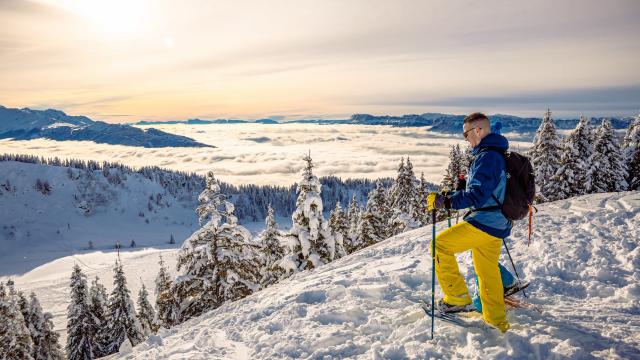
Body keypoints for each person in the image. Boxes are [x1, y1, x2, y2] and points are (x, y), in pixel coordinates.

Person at [427, 112, 512, 333]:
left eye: (466, 134)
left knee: (440, 245)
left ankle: (456, 298)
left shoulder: (488, 157)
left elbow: (477, 196)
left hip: (484, 221)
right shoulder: (493, 153)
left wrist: (445, 202)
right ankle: (496, 321)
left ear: (478, 130)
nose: (466, 139)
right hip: (496, 222)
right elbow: (484, 190)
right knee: (487, 271)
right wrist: (457, 191)